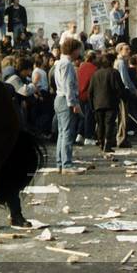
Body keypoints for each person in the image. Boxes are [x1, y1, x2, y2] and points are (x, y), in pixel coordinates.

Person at [52, 38, 85, 174]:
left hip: (59, 98)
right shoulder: (67, 64)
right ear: (74, 50)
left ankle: (60, 162)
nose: (79, 52)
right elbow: (68, 85)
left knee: (62, 132)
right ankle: (66, 163)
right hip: (66, 99)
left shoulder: (59, 63)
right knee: (67, 133)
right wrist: (73, 103)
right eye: (78, 49)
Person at [89, 52, 126, 155]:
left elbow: (90, 90)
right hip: (110, 102)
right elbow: (119, 88)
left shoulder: (95, 74)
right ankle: (107, 143)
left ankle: (101, 142)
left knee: (100, 124)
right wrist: (120, 97)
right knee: (109, 124)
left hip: (97, 103)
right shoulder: (114, 73)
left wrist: (92, 103)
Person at [113, 42, 137, 148]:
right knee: (123, 116)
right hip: (121, 92)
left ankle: (120, 137)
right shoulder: (120, 62)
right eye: (126, 49)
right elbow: (125, 79)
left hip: (119, 91)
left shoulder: (122, 62)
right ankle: (121, 138)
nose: (129, 51)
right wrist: (134, 90)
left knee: (121, 116)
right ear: (120, 50)